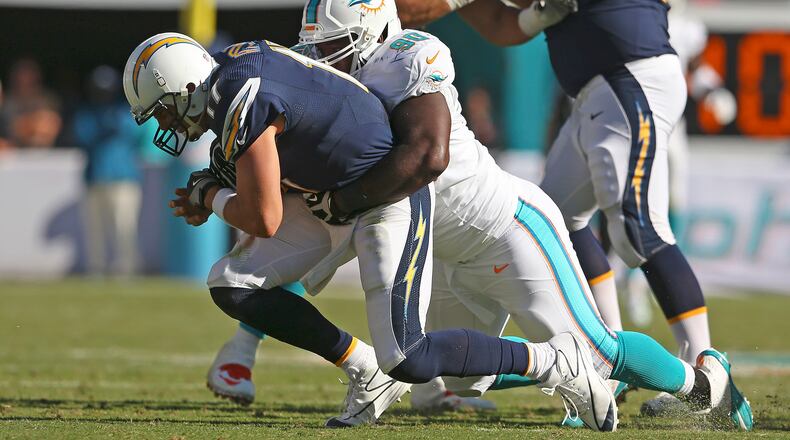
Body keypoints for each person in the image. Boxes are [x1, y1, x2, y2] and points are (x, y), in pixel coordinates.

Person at [207, 0, 749, 430]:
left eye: (334, 45)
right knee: (451, 375)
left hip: (508, 231)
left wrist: (341, 202)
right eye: (316, 47)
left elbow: (428, 155)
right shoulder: (335, 89)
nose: (324, 58)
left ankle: (704, 384)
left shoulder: (410, 55)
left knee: (602, 352)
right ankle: (556, 364)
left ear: (372, 33)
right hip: (445, 252)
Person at [123, 32, 615, 430]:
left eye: (163, 108)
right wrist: (214, 181)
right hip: (331, 196)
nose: (165, 122)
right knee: (232, 283)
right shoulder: (231, 72)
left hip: (383, 194)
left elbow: (264, 217)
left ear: (184, 85)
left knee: (409, 358)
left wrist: (211, 196)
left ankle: (556, 361)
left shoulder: (240, 95)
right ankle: (365, 369)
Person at [386, 0, 752, 430]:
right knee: (561, 217)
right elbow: (497, 22)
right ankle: (609, 356)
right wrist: (534, 16)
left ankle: (706, 366)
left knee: (638, 229)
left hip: (632, 70)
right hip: (595, 89)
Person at [73, 65, 144, 276]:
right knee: (95, 229)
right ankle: (96, 267)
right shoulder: (87, 113)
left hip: (124, 178)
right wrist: (105, 125)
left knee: (124, 227)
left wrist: (113, 121)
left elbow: (136, 135)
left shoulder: (126, 111)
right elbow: (82, 136)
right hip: (95, 177)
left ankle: (127, 267)